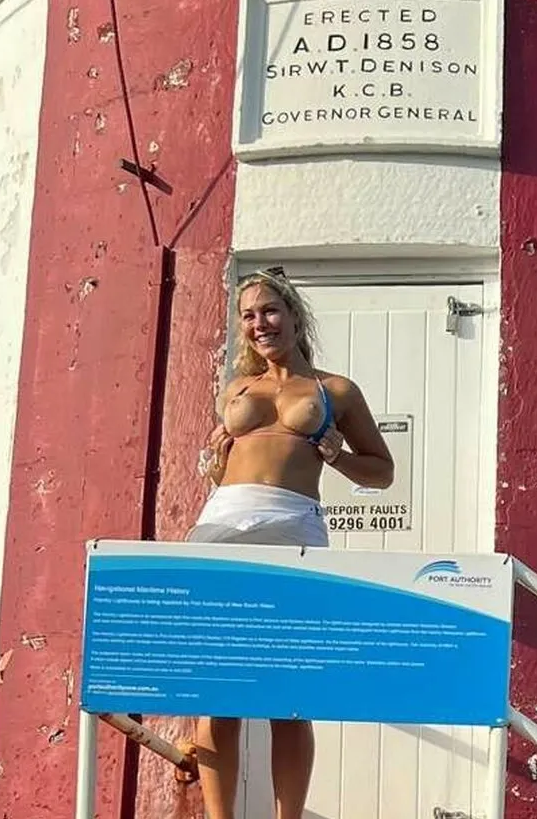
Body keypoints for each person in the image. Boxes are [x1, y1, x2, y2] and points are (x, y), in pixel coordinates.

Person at [188, 268, 394, 819]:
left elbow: (382, 472)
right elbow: (225, 470)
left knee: (289, 693)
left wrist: (337, 456)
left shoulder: (336, 390)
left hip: (292, 524)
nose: (260, 323)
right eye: (248, 315)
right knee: (218, 690)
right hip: (223, 524)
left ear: (295, 317)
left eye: (270, 310)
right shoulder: (236, 390)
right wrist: (214, 463)